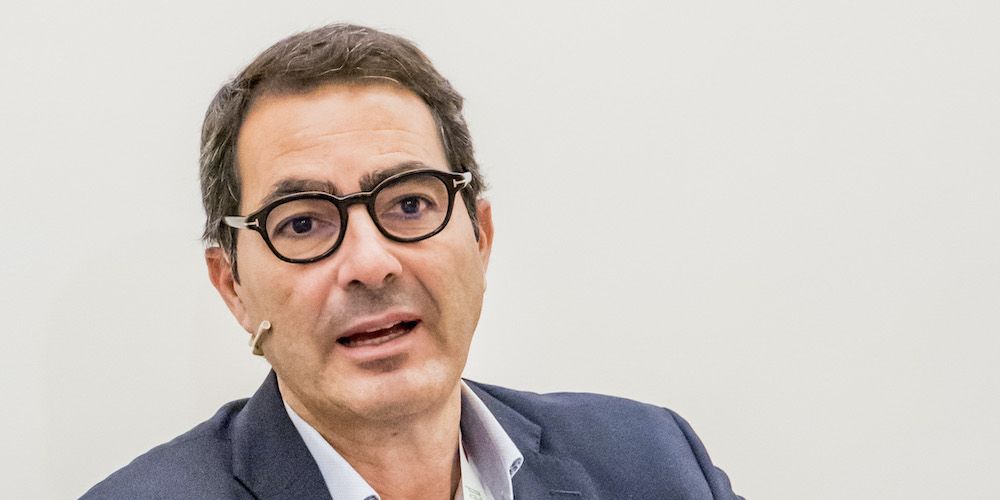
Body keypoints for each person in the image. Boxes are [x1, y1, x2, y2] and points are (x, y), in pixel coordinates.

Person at [83, 23, 741, 500]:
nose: (371, 264)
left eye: (409, 204)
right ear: (232, 287)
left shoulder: (654, 463)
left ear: (479, 237)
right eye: (303, 223)